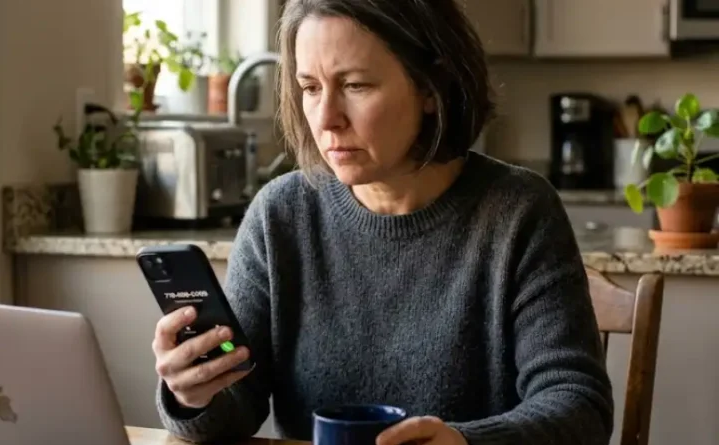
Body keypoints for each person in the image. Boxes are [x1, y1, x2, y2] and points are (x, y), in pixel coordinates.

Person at [150, 0, 614, 444]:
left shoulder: (518, 212)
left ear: (431, 89)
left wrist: (467, 442)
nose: (327, 118)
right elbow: (236, 408)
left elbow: (578, 407)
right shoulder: (281, 216)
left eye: (355, 86)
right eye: (310, 88)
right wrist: (193, 395)